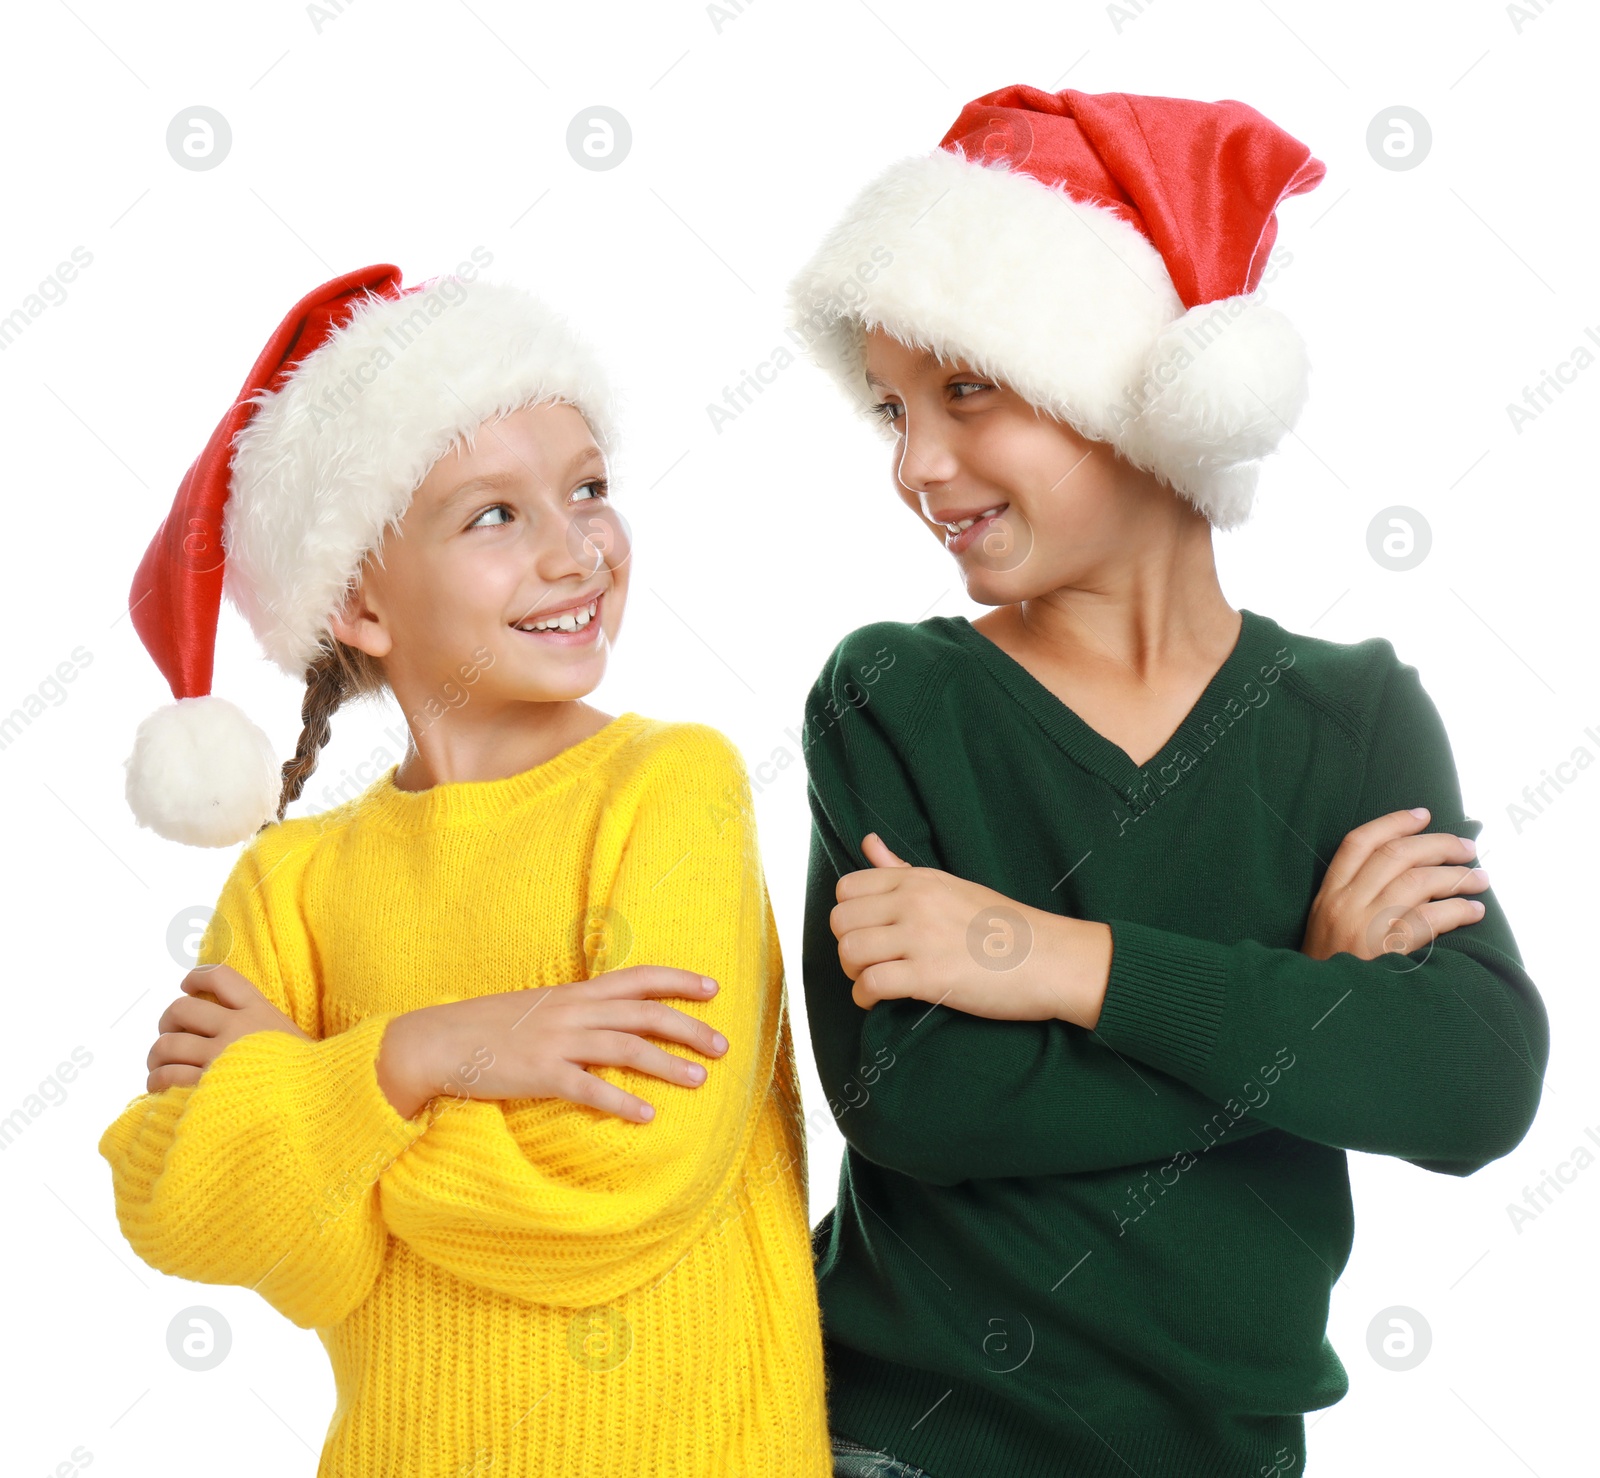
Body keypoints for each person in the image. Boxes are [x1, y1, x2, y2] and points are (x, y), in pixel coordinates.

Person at [786, 85, 1550, 1478]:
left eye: (968, 391)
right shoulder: (896, 693)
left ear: (1133, 387)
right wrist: (1303, 1003)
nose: (918, 464)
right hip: (899, 1445)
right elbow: (922, 1098)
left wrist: (1051, 956)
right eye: (893, 409)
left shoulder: (1349, 712)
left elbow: (1472, 1085)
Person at [97, 264, 830, 1477]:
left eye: (588, 488)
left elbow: (621, 1177)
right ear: (361, 606)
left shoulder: (669, 786)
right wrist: (423, 1049)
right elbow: (187, 1206)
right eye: (495, 515)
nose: (576, 547)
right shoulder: (293, 878)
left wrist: (319, 1110)